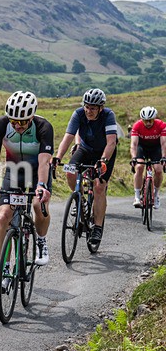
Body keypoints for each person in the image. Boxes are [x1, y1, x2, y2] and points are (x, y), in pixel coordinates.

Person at [0, 91, 53, 290]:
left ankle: (41, 241)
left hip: (38, 171)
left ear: (32, 117)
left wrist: (41, 186)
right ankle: (5, 270)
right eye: (14, 121)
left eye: (23, 122)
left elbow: (44, 162)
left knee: (38, 205)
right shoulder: (0, 125)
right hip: (15, 170)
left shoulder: (44, 127)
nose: (18, 126)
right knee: (4, 216)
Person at [52, 88, 118, 245]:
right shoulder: (78, 113)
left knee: (99, 186)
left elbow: (111, 142)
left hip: (104, 152)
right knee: (70, 172)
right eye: (87, 107)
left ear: (100, 108)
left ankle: (97, 227)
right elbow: (68, 137)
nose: (89, 111)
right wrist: (58, 157)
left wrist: (103, 161)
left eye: (93, 108)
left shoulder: (108, 115)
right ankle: (80, 200)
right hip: (85, 149)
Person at [129, 106, 166, 209]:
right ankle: (137, 197)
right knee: (139, 167)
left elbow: (164, 143)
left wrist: (164, 157)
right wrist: (134, 158)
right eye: (146, 121)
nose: (148, 123)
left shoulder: (161, 125)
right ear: (142, 120)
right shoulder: (137, 125)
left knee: (158, 170)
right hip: (142, 147)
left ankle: (156, 194)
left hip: (156, 148)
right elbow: (134, 144)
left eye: (150, 120)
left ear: (154, 119)